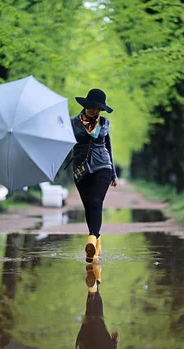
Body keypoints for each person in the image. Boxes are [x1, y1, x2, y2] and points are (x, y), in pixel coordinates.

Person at [71, 88, 118, 263]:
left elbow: (108, 147)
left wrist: (113, 172)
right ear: (86, 106)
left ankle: (92, 238)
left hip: (102, 166)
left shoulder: (104, 123)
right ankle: (96, 244)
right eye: (94, 108)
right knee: (88, 206)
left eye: (99, 109)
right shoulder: (72, 123)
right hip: (81, 169)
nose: (96, 112)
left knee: (97, 201)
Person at [74, 266, 119, 349]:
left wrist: (115, 346)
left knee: (94, 315)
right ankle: (94, 285)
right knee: (92, 316)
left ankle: (95, 283)